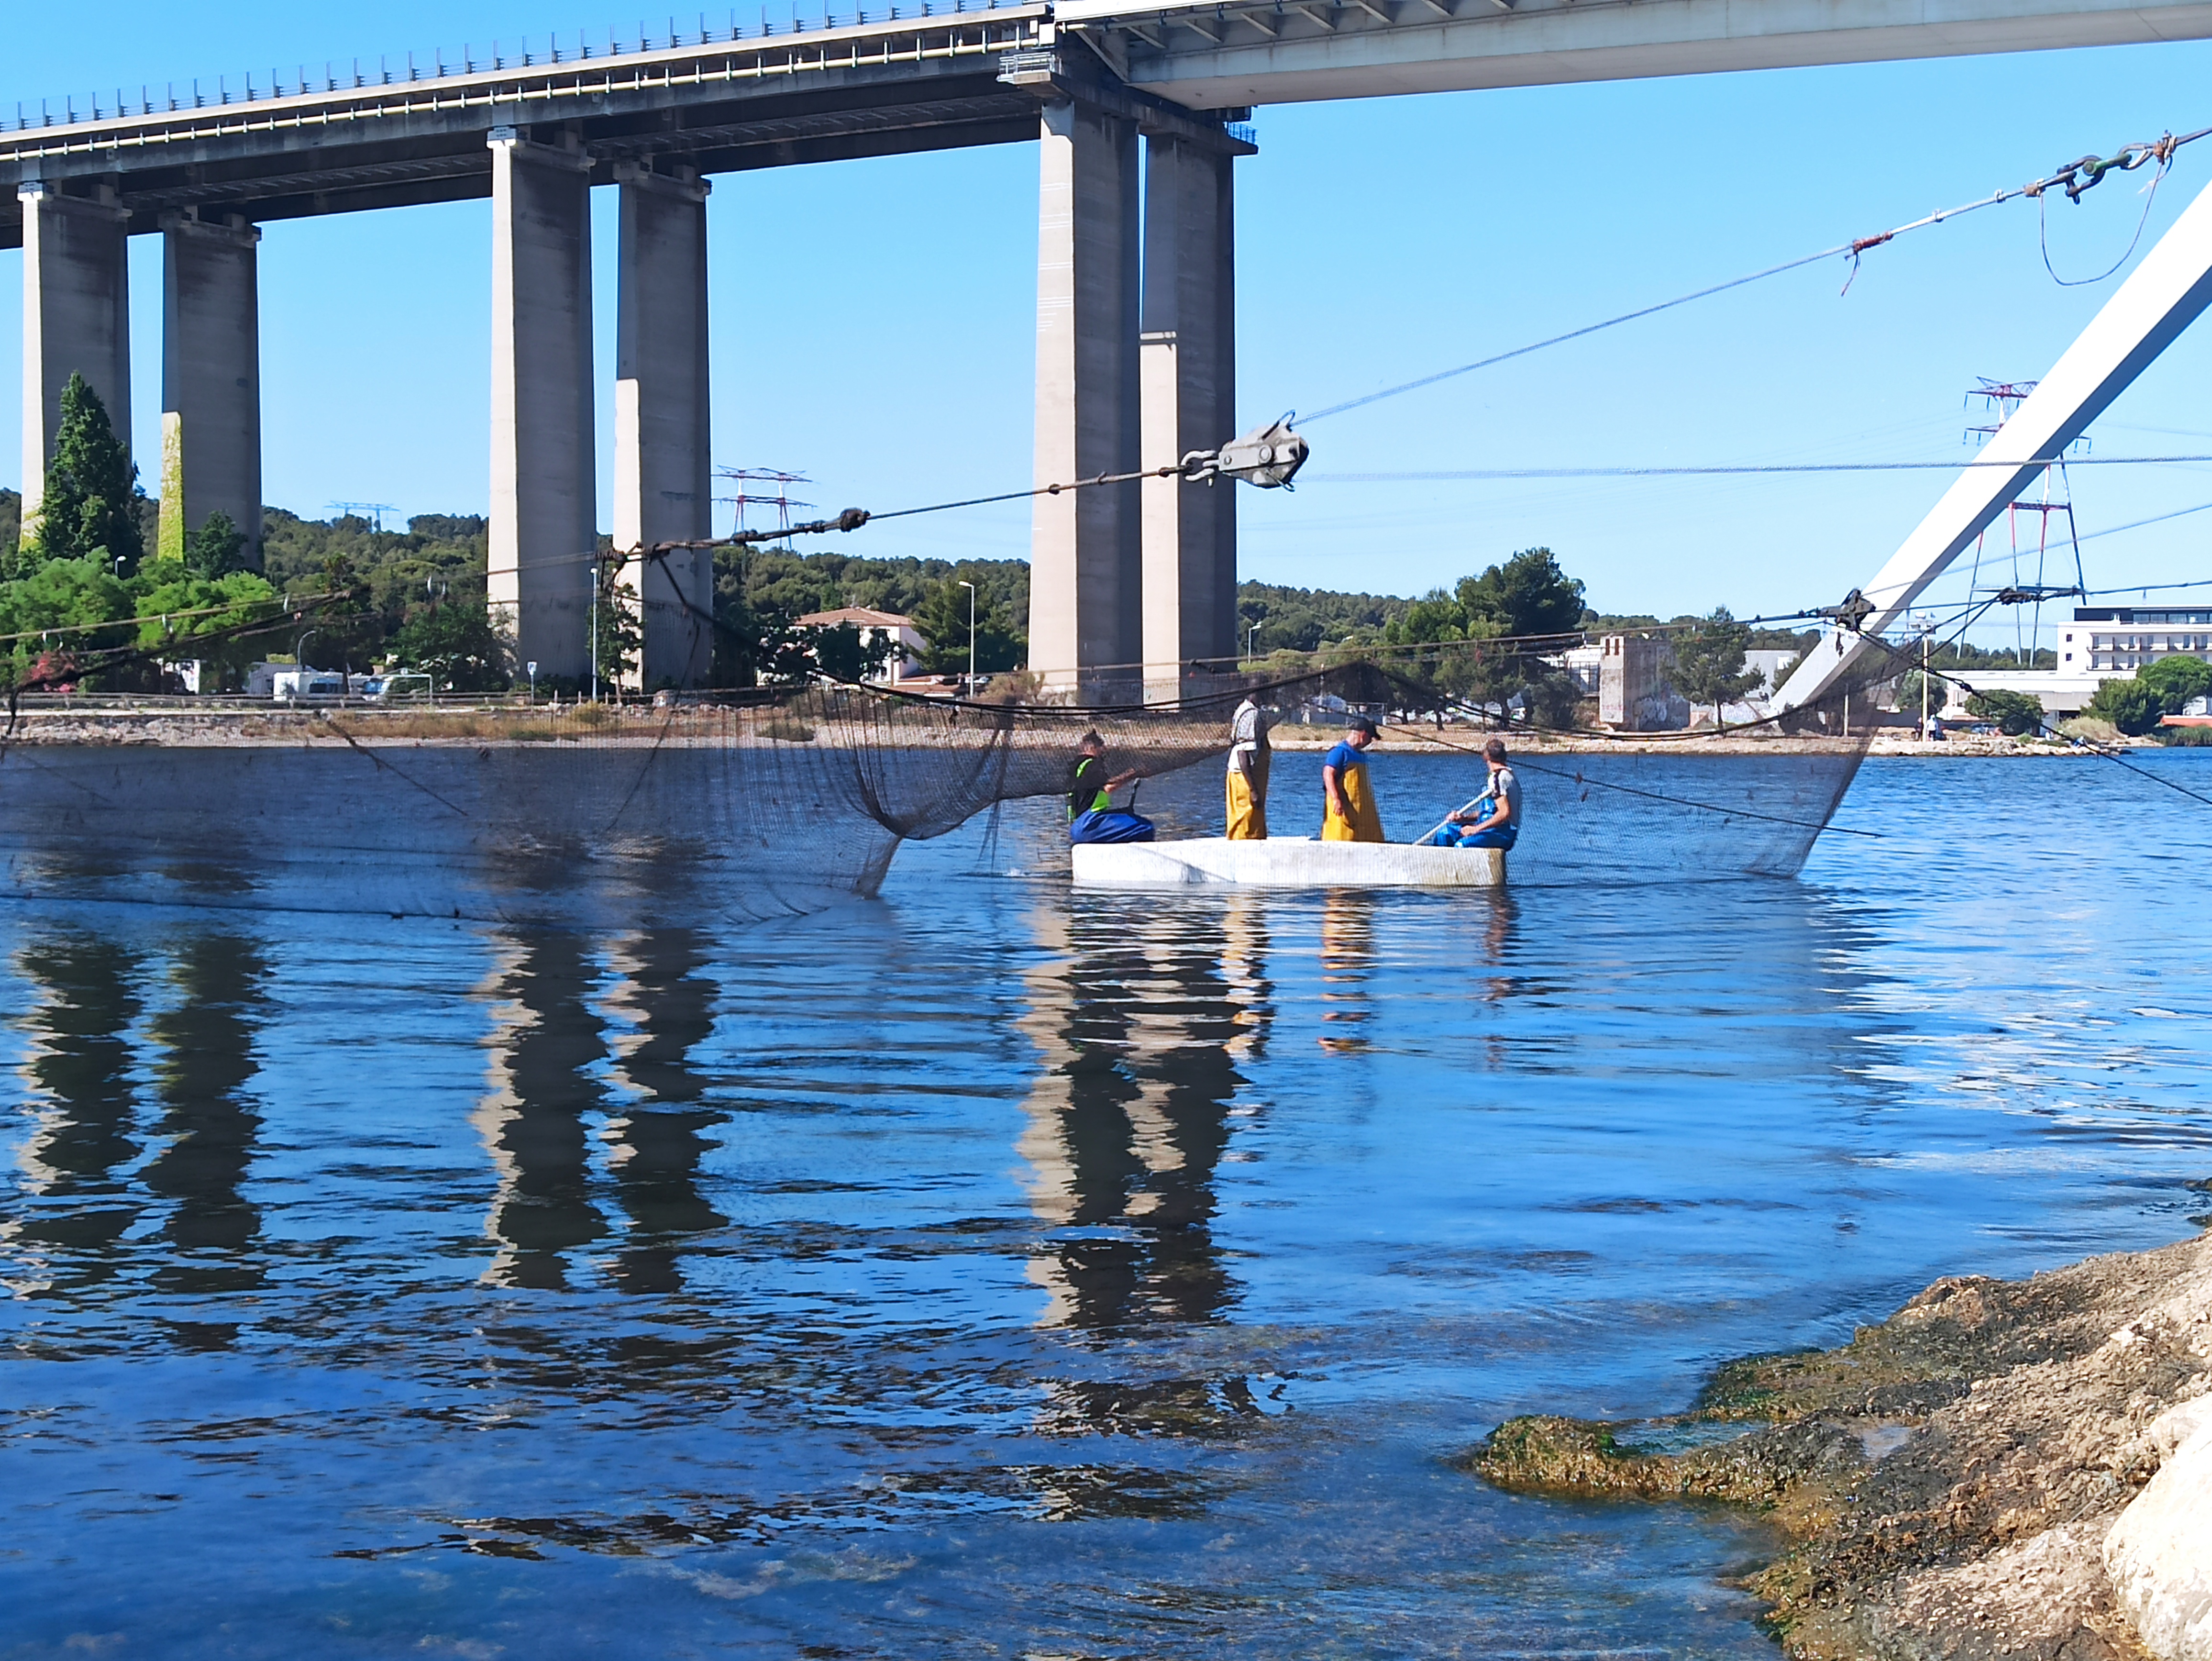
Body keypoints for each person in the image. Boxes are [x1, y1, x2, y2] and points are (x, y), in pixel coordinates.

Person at [1428, 737, 1521, 851]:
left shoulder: (1500, 779)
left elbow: (1504, 813)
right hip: (1490, 829)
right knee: (1445, 834)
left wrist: (1475, 829)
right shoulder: (1498, 777)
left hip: (1503, 833)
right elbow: (1490, 812)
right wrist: (1463, 819)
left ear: (1486, 756)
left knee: (1461, 846)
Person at [1067, 731, 1155, 844]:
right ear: (1092, 747)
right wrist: (1133, 774)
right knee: (1145, 828)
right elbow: (1108, 787)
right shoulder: (1093, 764)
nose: (1103, 752)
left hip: (1075, 827)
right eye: (1101, 748)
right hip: (1089, 824)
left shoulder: (1076, 767)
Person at [1320, 715, 1385, 842]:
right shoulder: (1339, 752)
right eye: (1370, 738)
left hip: (1362, 814)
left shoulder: (1361, 756)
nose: (1370, 742)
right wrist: (1336, 799)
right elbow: (1328, 775)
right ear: (1363, 735)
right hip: (1343, 813)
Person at [1226, 693, 1271, 840]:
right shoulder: (1251, 714)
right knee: (1245, 822)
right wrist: (1253, 790)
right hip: (1244, 779)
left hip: (1247, 776)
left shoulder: (1243, 709)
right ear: (1258, 693)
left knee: (1253, 823)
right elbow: (1242, 753)